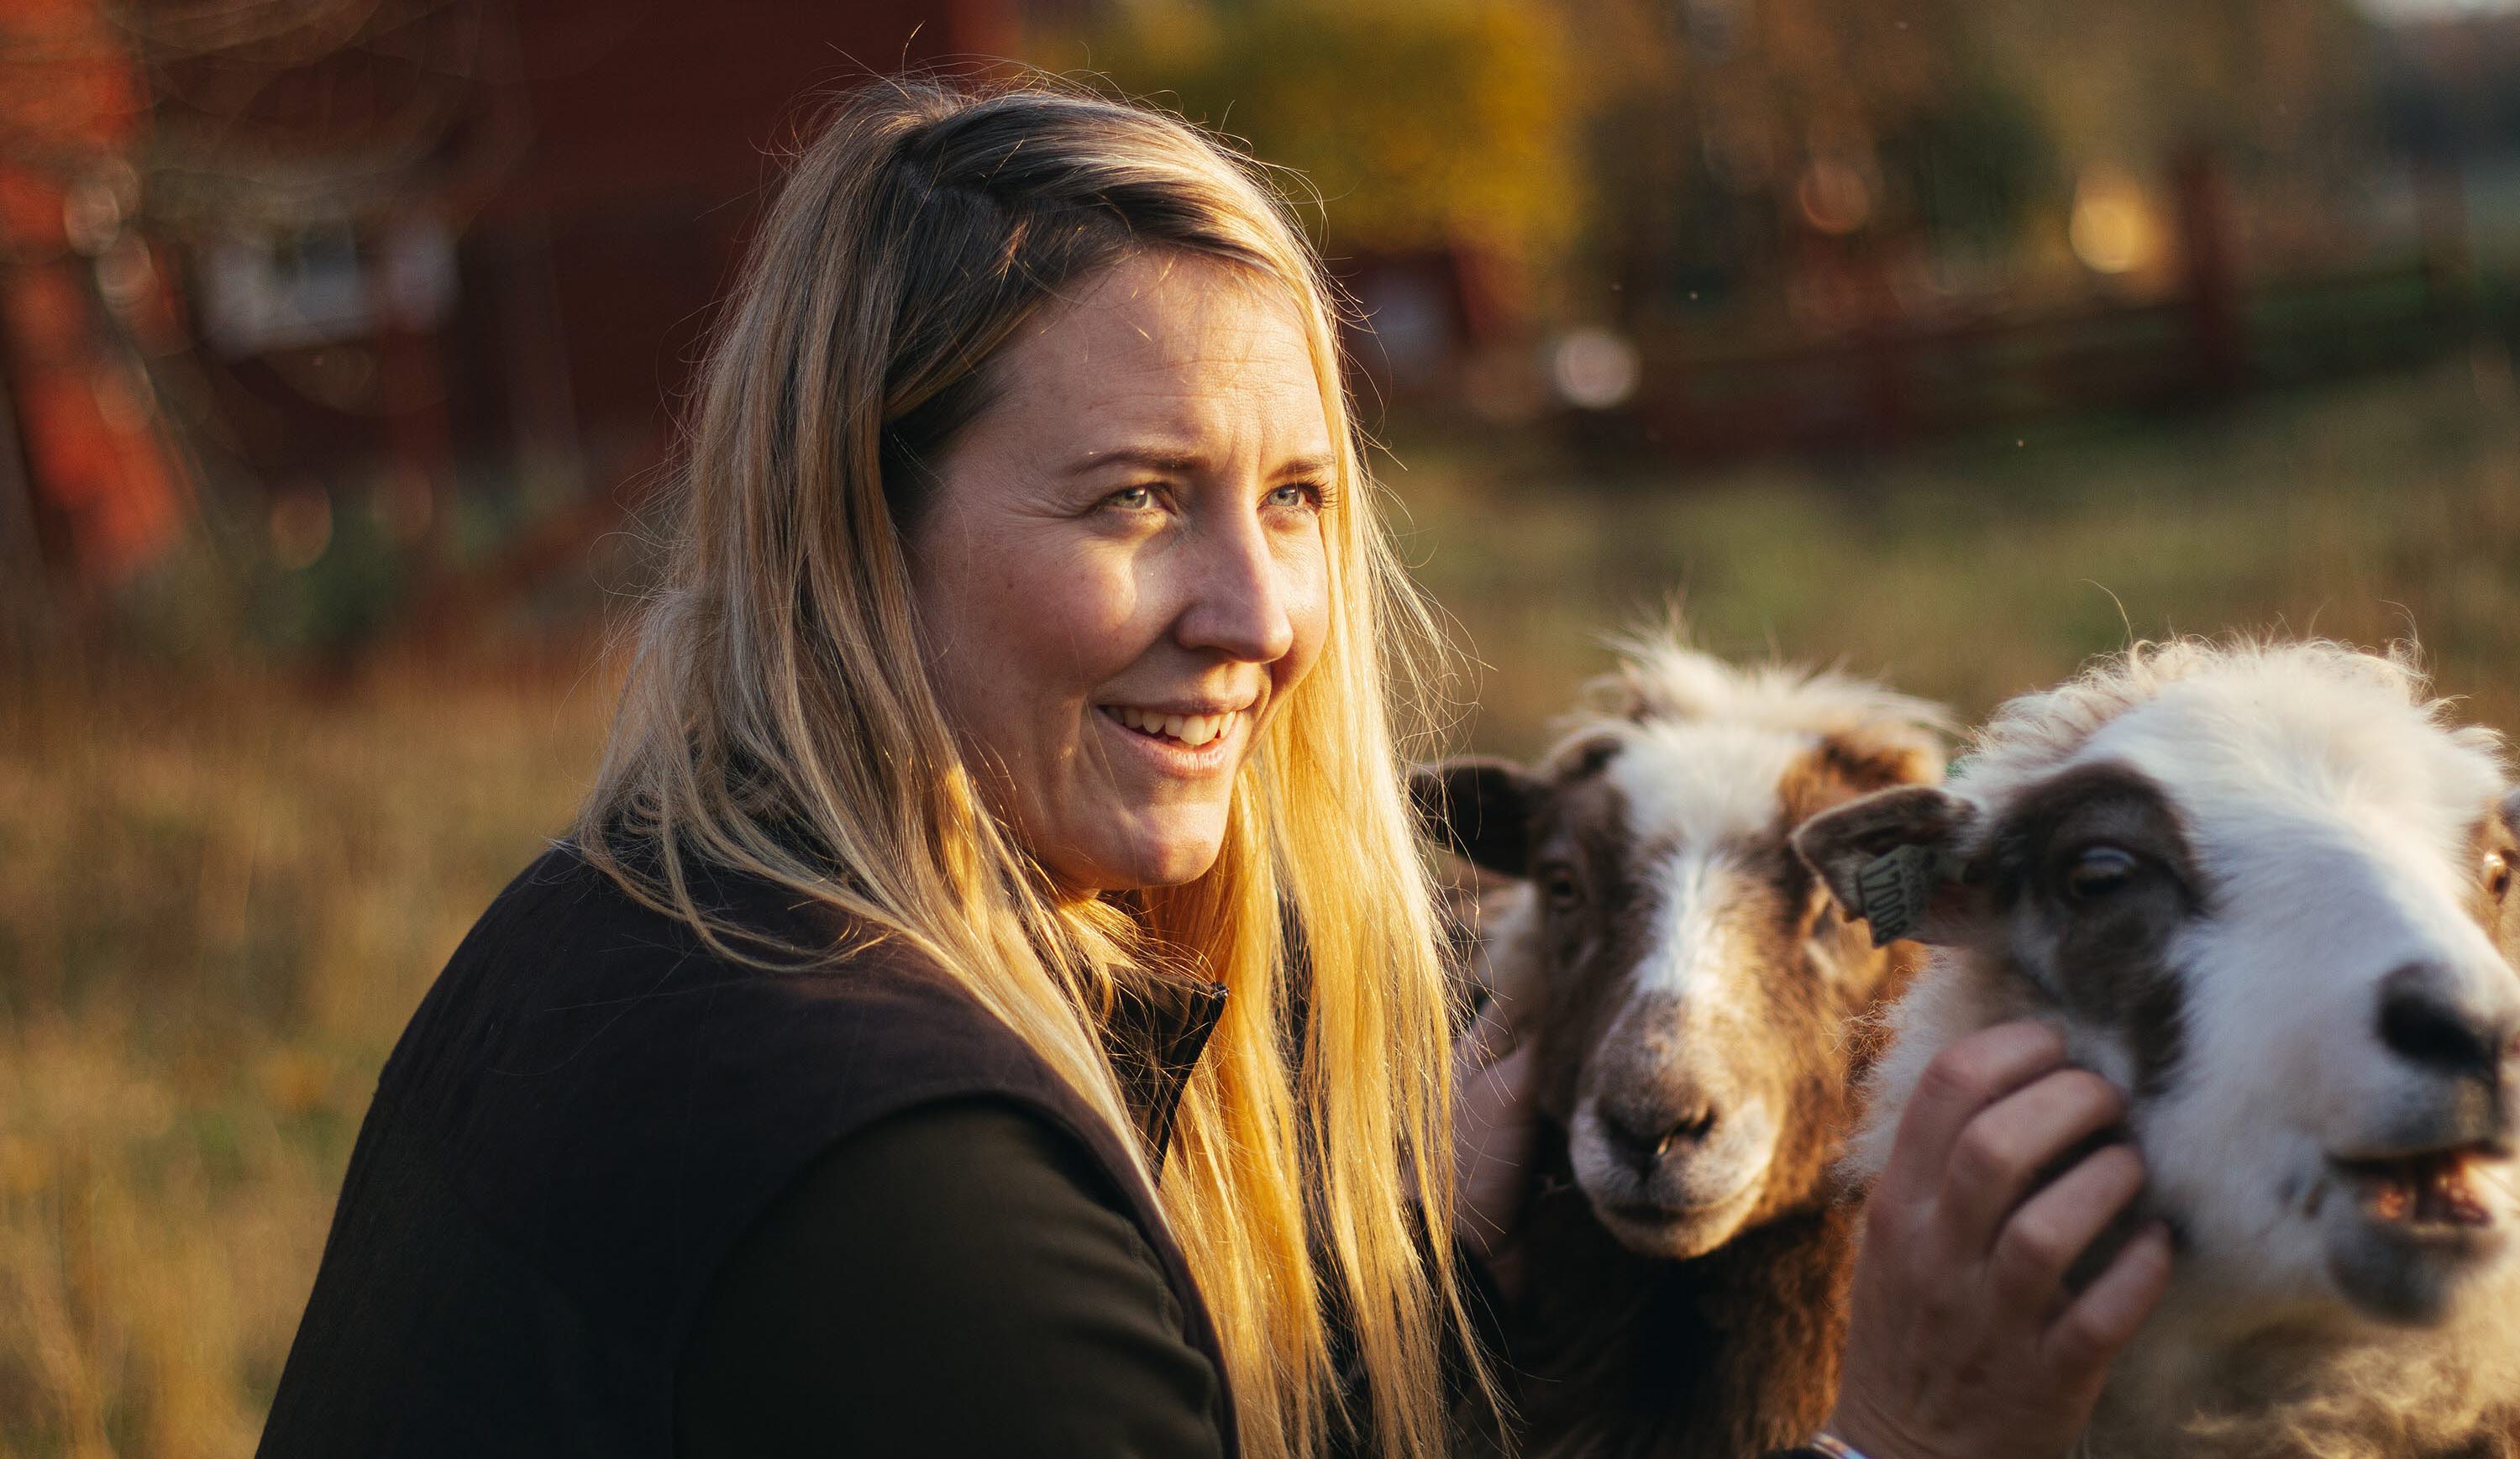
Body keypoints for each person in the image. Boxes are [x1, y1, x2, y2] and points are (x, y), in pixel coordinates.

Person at [257, 76, 2171, 1459]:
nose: (1262, 612)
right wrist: (1911, 1437)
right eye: (1139, 500)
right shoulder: (905, 1187)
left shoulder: (628, 917)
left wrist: (1439, 1281)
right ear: (853, 529)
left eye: (1297, 498)